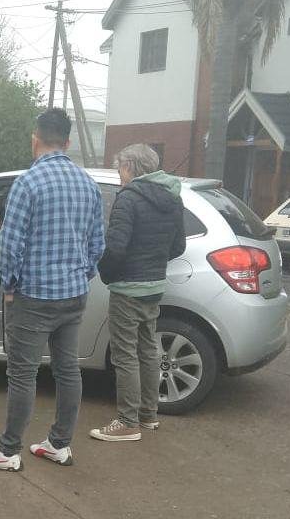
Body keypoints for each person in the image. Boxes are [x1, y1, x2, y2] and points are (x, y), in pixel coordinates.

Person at [0, 108, 105, 472]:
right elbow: (98, 245)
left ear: (35, 139)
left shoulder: (27, 184)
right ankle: (58, 444)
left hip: (34, 296)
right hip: (74, 294)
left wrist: (11, 287)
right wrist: (80, 275)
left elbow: (11, 246)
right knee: (67, 370)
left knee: (22, 374)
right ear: (68, 141)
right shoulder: (87, 184)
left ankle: (7, 449)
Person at [90, 144, 186, 442]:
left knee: (125, 355)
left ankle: (127, 422)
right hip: (154, 286)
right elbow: (178, 246)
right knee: (147, 350)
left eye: (120, 168)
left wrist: (107, 274)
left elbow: (116, 247)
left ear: (131, 167)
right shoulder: (172, 197)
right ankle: (148, 415)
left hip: (128, 288)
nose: (119, 175)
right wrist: (153, 264)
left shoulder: (128, 198)